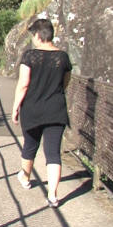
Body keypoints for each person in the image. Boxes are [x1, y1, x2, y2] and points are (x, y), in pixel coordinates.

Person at [11, 19, 72, 208]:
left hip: (33, 108)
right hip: (56, 108)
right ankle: (53, 195)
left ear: (38, 35)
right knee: (53, 152)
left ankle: (25, 177)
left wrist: (15, 107)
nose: (33, 39)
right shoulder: (63, 57)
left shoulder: (30, 56)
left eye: (33, 35)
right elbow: (65, 82)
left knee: (30, 145)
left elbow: (23, 84)